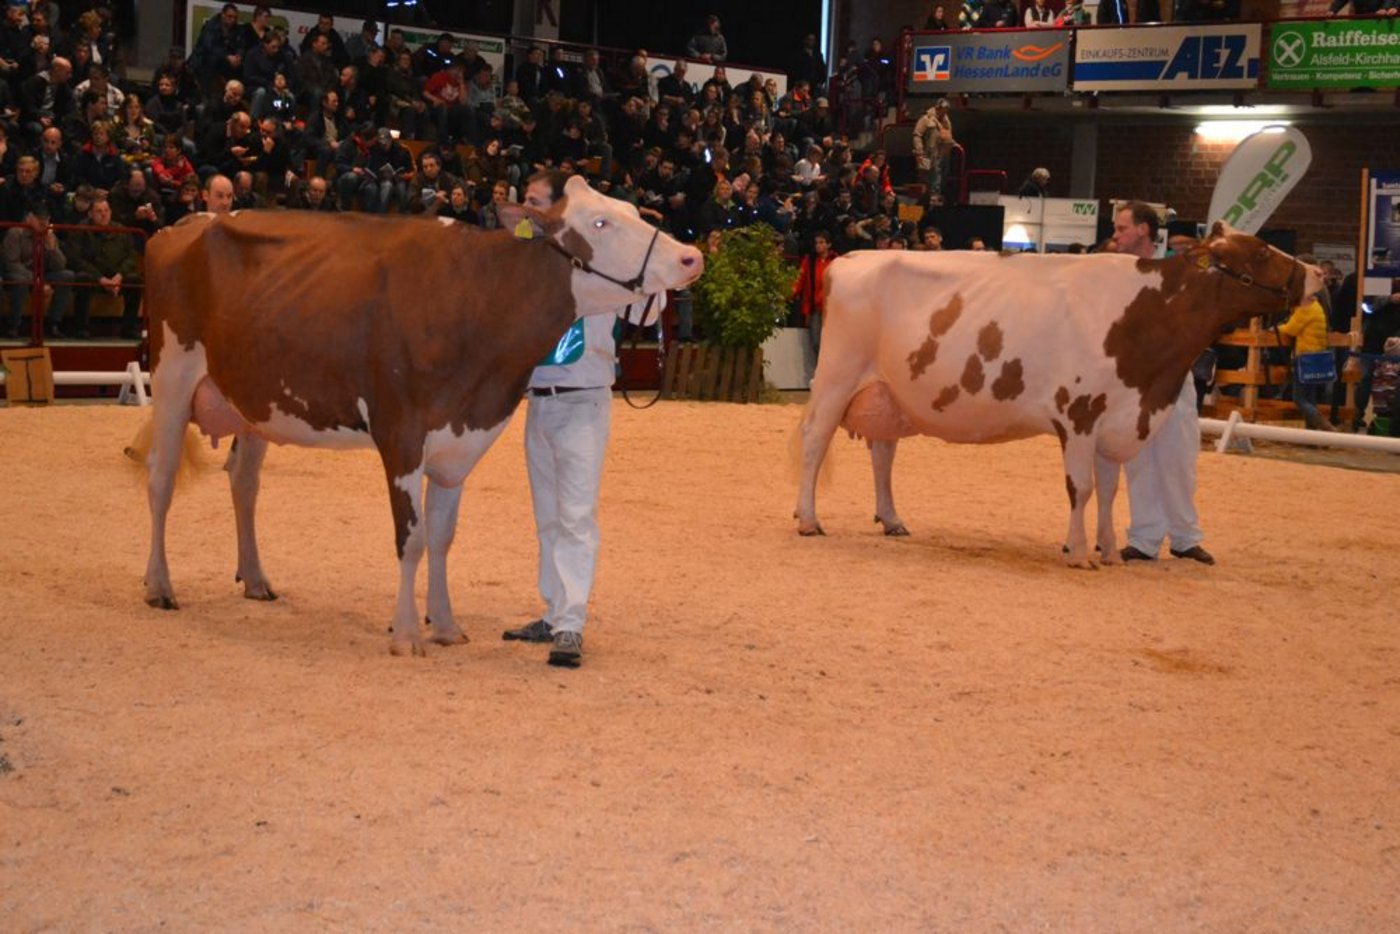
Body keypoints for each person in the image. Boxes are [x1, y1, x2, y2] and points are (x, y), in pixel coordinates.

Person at [501, 169, 619, 668]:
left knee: (574, 515)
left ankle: (571, 624)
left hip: (582, 400)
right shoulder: (527, 266)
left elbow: (646, 308)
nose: (524, 208)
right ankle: (553, 611)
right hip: (541, 400)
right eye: (524, 201)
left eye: (534, 202)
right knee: (548, 516)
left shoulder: (597, 264)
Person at [1113, 201, 1214, 566]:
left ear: (1143, 230)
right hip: (1132, 379)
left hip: (1173, 373)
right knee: (1137, 458)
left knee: (1179, 455)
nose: (1115, 235)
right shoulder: (1114, 272)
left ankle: (1185, 537)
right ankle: (1144, 537)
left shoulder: (1177, 270)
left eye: (1122, 228)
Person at [68, 195, 143, 339]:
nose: (104, 214)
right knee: (83, 278)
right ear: (90, 214)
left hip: (116, 278)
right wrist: (100, 278)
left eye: (106, 210)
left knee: (135, 281)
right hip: (93, 276)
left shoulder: (121, 230)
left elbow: (131, 256)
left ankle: (129, 328)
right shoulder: (80, 230)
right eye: (99, 211)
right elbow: (76, 259)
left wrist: (119, 276)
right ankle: (81, 328)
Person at [2, 200, 74, 338]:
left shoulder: (49, 235)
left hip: (42, 274)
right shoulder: (15, 233)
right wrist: (37, 280)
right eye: (39, 219)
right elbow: (11, 263)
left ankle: (53, 322)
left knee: (67, 275)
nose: (44, 223)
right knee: (20, 279)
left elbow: (60, 265)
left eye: (46, 219)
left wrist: (52, 247)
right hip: (20, 274)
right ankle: (14, 325)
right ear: (29, 217)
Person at [1277, 281, 1335, 432]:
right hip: (1317, 356)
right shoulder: (1317, 307)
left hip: (1305, 357)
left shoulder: (1306, 309)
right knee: (1311, 397)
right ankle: (1312, 435)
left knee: (1300, 399)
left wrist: (1277, 328)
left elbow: (1291, 329)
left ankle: (1324, 424)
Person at [912, 98, 954, 204]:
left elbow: (948, 136)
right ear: (938, 107)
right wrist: (919, 151)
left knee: (942, 177)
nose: (944, 111)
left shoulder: (946, 121)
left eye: (946, 109)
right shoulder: (926, 119)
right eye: (943, 109)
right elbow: (917, 134)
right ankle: (929, 199)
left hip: (944, 154)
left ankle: (937, 197)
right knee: (930, 178)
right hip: (929, 154)